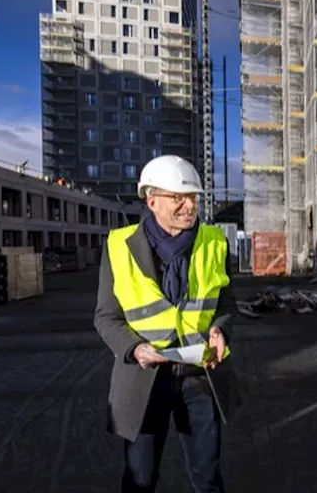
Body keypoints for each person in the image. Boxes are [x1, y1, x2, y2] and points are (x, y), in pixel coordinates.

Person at [94, 154, 239, 492]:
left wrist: (220, 330)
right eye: (179, 197)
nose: (190, 205)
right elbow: (105, 317)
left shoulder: (215, 242)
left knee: (207, 478)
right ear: (152, 200)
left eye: (193, 197)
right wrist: (134, 348)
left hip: (199, 377)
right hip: (144, 379)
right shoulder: (118, 247)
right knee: (139, 479)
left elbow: (226, 304)